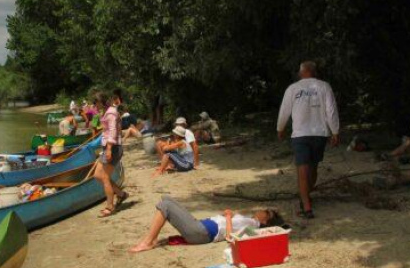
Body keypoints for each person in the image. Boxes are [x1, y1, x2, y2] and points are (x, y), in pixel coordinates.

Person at [277, 60, 340, 219]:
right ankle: (306, 202)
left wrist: (280, 128)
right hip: (320, 133)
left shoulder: (293, 88)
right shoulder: (324, 86)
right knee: (312, 167)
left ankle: (305, 200)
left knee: (303, 169)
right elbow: (331, 110)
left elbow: (284, 110)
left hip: (301, 134)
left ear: (303, 72)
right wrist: (335, 131)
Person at [129, 196, 284, 253]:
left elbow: (231, 237)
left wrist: (229, 217)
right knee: (167, 199)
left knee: (165, 206)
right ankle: (152, 239)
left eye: (267, 212)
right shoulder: (249, 221)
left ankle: (148, 242)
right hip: (200, 228)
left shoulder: (253, 225)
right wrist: (230, 215)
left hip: (201, 233)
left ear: (266, 221)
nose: (263, 210)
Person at [94, 91, 128, 216]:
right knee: (97, 175)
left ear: (101, 102)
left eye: (95, 103)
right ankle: (121, 194)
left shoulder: (111, 113)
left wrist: (108, 149)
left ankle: (110, 206)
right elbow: (109, 130)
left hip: (113, 148)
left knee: (104, 177)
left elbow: (113, 131)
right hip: (108, 147)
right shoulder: (107, 112)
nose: (94, 106)